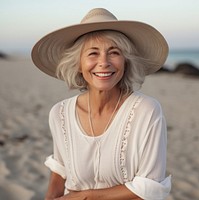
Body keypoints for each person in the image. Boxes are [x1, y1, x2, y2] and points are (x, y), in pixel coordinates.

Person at [32, 8, 171, 200]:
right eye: (93, 53)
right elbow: (60, 171)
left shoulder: (147, 111)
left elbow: (150, 189)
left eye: (114, 52)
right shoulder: (60, 113)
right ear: (79, 64)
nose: (103, 62)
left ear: (125, 62)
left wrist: (84, 196)